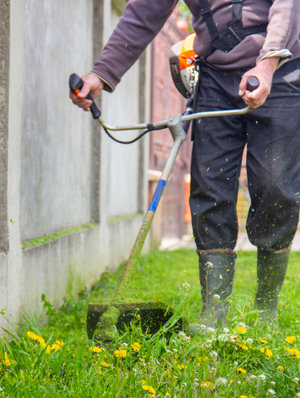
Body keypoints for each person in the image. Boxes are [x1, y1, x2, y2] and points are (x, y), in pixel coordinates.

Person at [70, 0, 300, 328]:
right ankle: (214, 313)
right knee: (210, 188)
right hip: (215, 77)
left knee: (276, 188)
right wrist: (101, 74)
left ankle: (266, 311)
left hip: (281, 71)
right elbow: (143, 11)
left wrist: (268, 62)